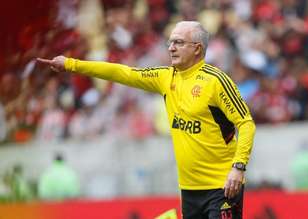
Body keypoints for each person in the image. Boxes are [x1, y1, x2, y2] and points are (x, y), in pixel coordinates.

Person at [37, 21, 256, 219]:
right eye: (170, 43)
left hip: (223, 185)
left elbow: (246, 123)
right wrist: (71, 64)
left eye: (179, 43)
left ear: (197, 48)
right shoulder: (165, 77)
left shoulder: (216, 81)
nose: (171, 48)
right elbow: (123, 73)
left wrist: (238, 167)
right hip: (189, 190)